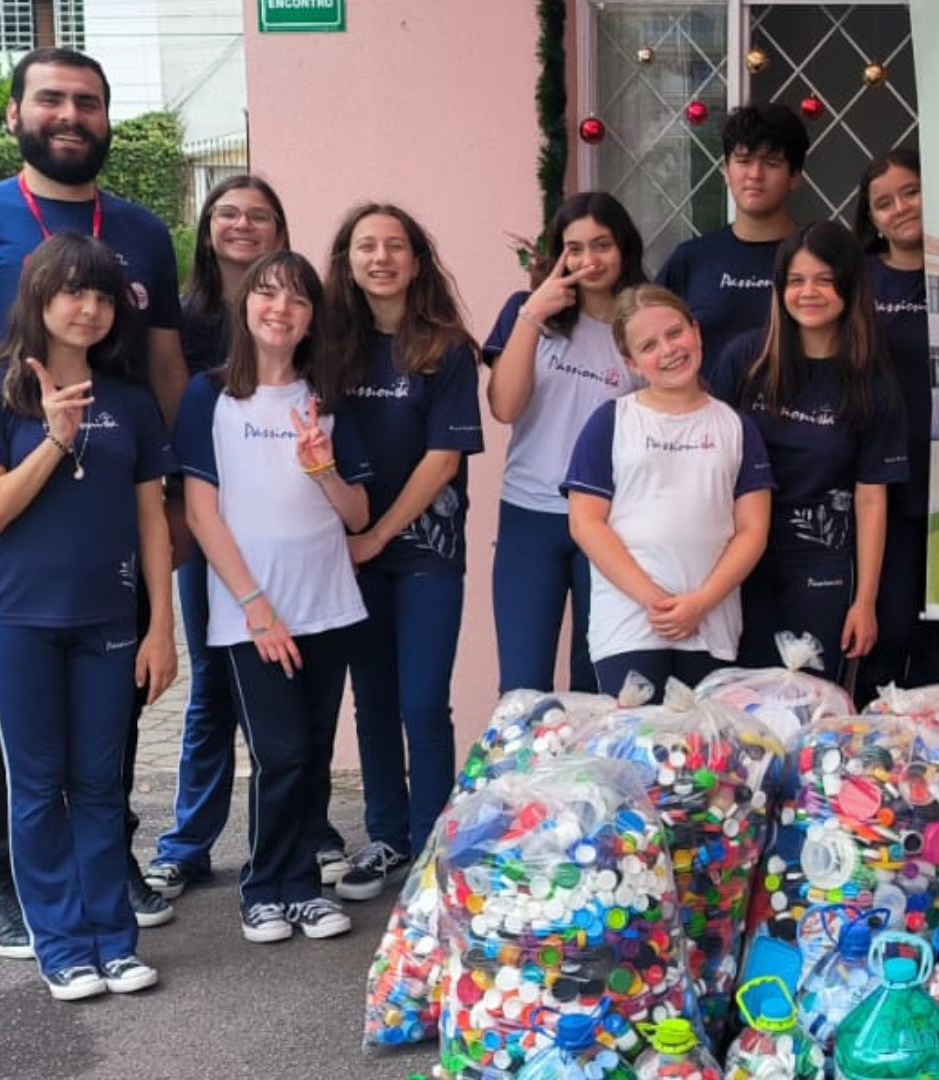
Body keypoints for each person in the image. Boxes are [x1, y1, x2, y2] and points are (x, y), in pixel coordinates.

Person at [0, 46, 188, 955]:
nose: (72, 115)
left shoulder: (142, 231)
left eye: (90, 103)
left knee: (117, 692)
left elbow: (165, 369)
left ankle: (105, 866)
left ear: (108, 119)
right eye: (53, 100)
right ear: (16, 113)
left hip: (112, 497)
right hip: (5, 506)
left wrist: (175, 494)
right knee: (0, 706)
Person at [0, 234, 177, 1000]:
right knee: (39, 786)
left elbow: (153, 522)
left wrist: (160, 627)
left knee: (101, 784)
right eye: (74, 291)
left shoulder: (132, 402)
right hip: (18, 622)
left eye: (104, 294)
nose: (89, 307)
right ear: (40, 298)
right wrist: (53, 440)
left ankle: (114, 939)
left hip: (108, 622)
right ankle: (62, 945)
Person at [144, 175, 358, 898]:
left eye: (258, 216)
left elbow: (352, 505)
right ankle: (197, 846)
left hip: (318, 590)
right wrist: (253, 602)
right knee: (225, 704)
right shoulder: (190, 330)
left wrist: (323, 471)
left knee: (302, 745)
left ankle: (302, 857)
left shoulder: (324, 388)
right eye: (227, 214)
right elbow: (200, 500)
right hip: (235, 576)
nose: (281, 307)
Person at [324, 203, 483, 901]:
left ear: (417, 262)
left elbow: (443, 460)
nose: (381, 257)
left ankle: (430, 846)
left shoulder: (446, 348)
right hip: (349, 553)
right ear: (348, 260)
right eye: (367, 246)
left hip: (425, 551)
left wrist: (378, 535)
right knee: (374, 702)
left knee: (422, 703)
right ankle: (385, 836)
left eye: (395, 246)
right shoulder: (328, 346)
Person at [711, 221, 908, 682]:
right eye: (796, 281)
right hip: (737, 559)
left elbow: (872, 497)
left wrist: (865, 602)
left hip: (822, 568)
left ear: (849, 285)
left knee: (815, 707)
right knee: (737, 707)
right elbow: (705, 460)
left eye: (824, 279)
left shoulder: (871, 383)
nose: (808, 292)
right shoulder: (745, 359)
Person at [562, 285, 772, 699]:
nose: (669, 349)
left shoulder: (736, 427)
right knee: (634, 755)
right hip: (630, 623)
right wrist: (654, 601)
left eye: (675, 333)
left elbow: (752, 530)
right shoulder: (611, 422)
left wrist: (702, 602)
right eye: (649, 345)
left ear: (696, 331)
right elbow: (586, 523)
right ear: (632, 363)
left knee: (700, 757)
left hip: (710, 624)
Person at [484, 192, 646, 694]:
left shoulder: (640, 327)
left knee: (598, 679)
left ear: (624, 250)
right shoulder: (526, 313)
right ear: (558, 254)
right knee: (523, 683)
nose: (588, 260)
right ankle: (521, 775)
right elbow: (504, 408)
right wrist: (533, 315)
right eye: (574, 248)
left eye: (602, 245)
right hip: (530, 516)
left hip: (610, 521)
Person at [852, 148, 939, 699]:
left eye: (911, 192)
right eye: (883, 203)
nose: (900, 208)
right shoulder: (858, 281)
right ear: (871, 218)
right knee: (886, 632)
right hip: (880, 488)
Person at [657, 102, 809, 378]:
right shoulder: (691, 259)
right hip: (706, 417)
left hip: (797, 417)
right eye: (743, 161)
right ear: (726, 171)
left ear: (795, 177)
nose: (755, 175)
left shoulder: (817, 258)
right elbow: (646, 340)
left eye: (772, 163)